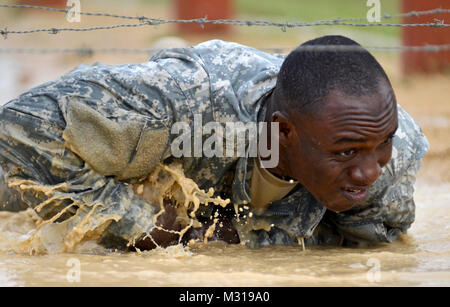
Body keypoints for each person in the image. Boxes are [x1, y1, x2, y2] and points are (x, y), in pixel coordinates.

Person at [0, 35, 428, 251]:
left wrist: (234, 241)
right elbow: (18, 127)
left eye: (381, 144)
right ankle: (165, 53)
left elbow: (369, 247)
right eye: (346, 153)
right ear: (282, 133)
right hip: (175, 118)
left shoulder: (391, 149)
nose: (370, 171)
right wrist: (147, 227)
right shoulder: (187, 99)